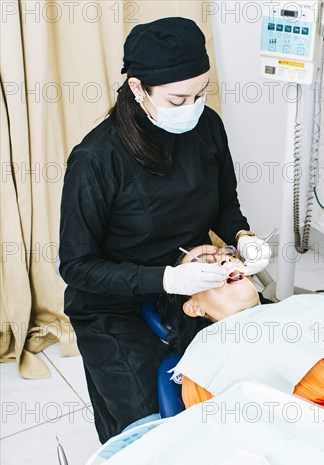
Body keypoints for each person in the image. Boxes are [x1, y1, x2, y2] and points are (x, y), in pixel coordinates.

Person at [59, 17, 270, 443]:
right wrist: (168, 278)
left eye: (200, 94)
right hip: (112, 305)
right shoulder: (96, 159)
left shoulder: (207, 126)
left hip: (195, 284)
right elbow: (77, 266)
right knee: (149, 427)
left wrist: (244, 236)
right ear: (138, 88)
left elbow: (224, 205)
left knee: (253, 388)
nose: (192, 108)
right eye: (177, 100)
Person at [158, 244, 324, 428]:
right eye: (206, 264)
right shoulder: (206, 368)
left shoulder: (307, 305)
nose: (226, 260)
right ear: (193, 308)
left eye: (228, 254)